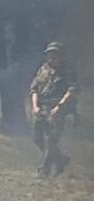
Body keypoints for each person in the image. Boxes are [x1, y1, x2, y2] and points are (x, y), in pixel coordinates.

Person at [30, 42, 78, 177]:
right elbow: (34, 88)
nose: (52, 57)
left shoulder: (67, 71)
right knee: (37, 138)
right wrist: (35, 106)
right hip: (42, 107)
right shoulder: (43, 69)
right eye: (49, 54)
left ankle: (43, 170)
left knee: (50, 140)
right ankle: (61, 160)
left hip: (58, 108)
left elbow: (72, 90)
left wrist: (59, 107)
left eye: (55, 54)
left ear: (61, 55)